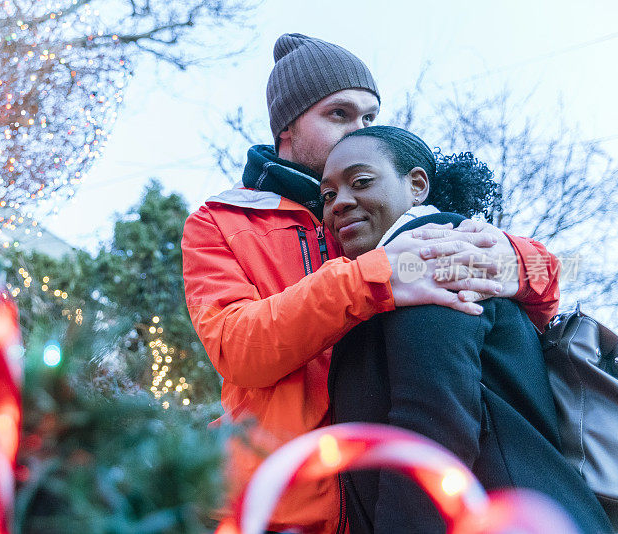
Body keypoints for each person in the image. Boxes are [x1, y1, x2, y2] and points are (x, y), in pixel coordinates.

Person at [181, 33, 560, 533]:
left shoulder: (391, 212)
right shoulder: (220, 222)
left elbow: (554, 277)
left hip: (393, 500)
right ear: (287, 127)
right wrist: (374, 275)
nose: (356, 129)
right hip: (284, 508)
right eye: (339, 114)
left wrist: (518, 261)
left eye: (368, 117)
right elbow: (237, 347)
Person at [323, 126, 612, 533]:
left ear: (417, 184)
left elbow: (430, 426)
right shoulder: (388, 277)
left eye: (360, 182)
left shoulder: (435, 252)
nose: (339, 203)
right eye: (328, 194)